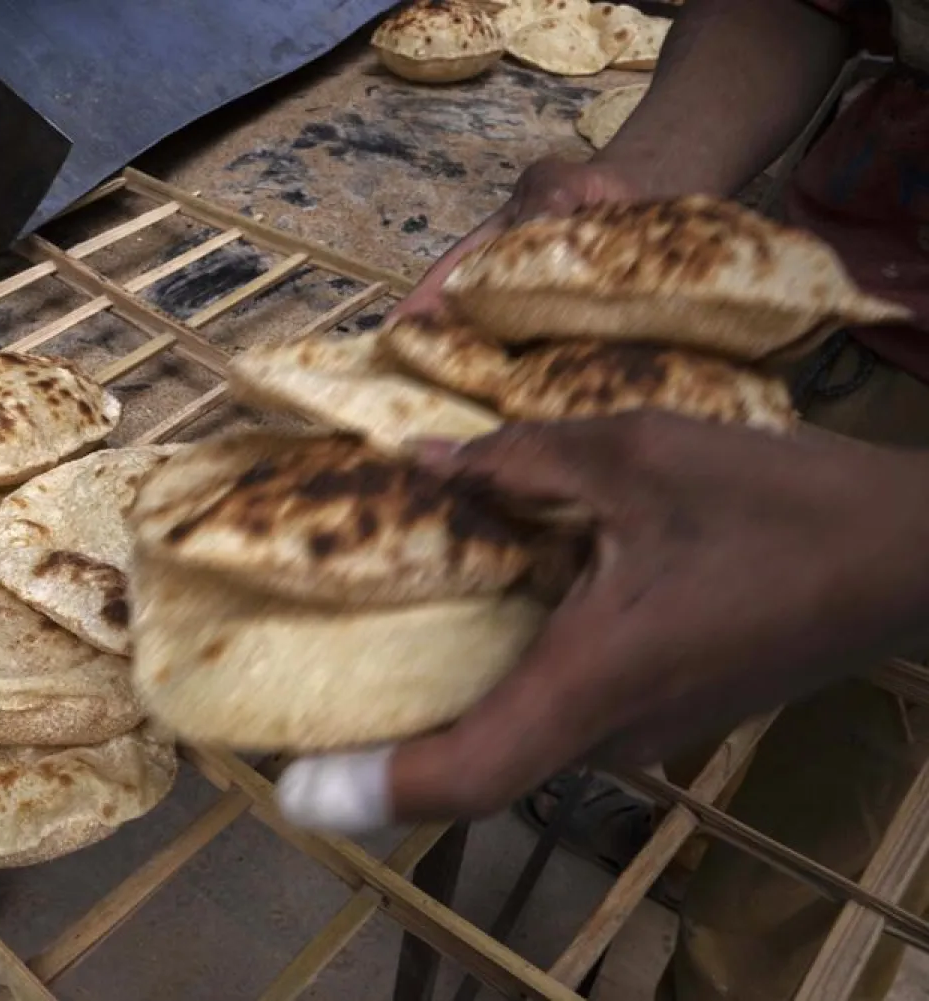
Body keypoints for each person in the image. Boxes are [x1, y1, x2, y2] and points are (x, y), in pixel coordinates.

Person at [275, 1, 929, 997]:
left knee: (810, 867)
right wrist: (645, 178)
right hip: (800, 289)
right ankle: (686, 839)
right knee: (689, 686)